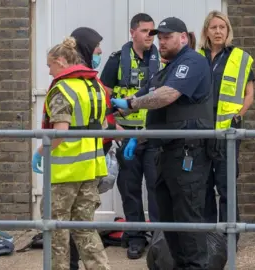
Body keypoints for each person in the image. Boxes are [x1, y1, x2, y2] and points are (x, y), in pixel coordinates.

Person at [112, 17, 214, 269]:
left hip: (188, 155)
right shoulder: (166, 69)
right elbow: (137, 98)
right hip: (165, 153)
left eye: (167, 36)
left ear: (183, 37)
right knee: (168, 219)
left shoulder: (192, 62)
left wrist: (132, 104)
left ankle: (195, 266)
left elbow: (166, 97)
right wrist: (107, 107)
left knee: (187, 220)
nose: (161, 41)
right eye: (160, 37)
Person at [32, 36, 111, 270]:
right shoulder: (94, 85)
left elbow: (61, 132)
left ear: (60, 61)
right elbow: (103, 126)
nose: (49, 72)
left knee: (56, 230)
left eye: (49, 66)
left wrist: (40, 151)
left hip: (64, 173)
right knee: (85, 229)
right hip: (91, 169)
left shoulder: (62, 88)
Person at [99, 13, 160, 259]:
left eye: (152, 31)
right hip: (127, 139)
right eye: (145, 31)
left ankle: (159, 236)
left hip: (154, 136)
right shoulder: (116, 62)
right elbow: (102, 98)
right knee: (130, 188)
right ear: (132, 32)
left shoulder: (163, 60)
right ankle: (135, 237)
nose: (150, 36)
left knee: (157, 188)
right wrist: (114, 127)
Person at [197, 11, 255, 237]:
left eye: (222, 27)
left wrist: (237, 116)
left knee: (226, 185)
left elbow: (249, 94)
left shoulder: (240, 57)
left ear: (228, 31)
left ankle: (230, 236)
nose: (218, 31)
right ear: (206, 31)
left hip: (227, 133)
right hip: (201, 131)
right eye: (214, 27)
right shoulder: (195, 56)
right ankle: (210, 234)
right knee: (203, 185)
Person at [71, 26, 123, 155]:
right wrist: (114, 129)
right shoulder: (79, 78)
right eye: (96, 46)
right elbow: (91, 114)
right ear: (85, 48)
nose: (100, 51)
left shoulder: (89, 76)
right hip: (90, 146)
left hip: (100, 142)